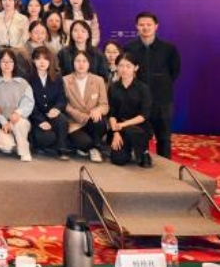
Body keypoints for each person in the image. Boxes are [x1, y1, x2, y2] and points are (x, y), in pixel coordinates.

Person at [123, 12, 181, 159]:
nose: (145, 28)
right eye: (141, 25)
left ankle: (167, 167)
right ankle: (144, 161)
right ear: (136, 27)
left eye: (149, 24)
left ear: (156, 26)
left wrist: (161, 83)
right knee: (140, 135)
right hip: (138, 100)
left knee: (164, 137)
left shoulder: (168, 48)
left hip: (162, 100)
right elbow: (126, 71)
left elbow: (174, 71)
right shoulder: (129, 48)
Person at [0, 49, 35, 162]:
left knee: (19, 123)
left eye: (10, 61)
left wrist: (18, 113)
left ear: (15, 64)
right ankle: (12, 139)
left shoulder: (23, 83)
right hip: (1, 123)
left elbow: (28, 103)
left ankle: (24, 151)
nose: (7, 64)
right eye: (3, 61)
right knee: (6, 147)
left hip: (19, 120)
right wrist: (3, 121)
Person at [107, 52, 154, 168]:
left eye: (128, 66)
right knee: (118, 160)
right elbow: (112, 113)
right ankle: (129, 148)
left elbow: (144, 115)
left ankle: (144, 151)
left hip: (139, 127)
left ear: (135, 68)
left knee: (130, 131)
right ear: (117, 67)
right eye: (121, 66)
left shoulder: (143, 88)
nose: (124, 69)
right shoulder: (113, 87)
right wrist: (115, 132)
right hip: (119, 127)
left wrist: (122, 125)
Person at [63, 50, 109, 163]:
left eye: (84, 61)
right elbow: (64, 104)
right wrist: (80, 116)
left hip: (92, 121)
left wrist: (98, 110)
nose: (81, 64)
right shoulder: (65, 80)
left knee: (100, 122)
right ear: (73, 63)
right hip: (75, 122)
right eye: (78, 61)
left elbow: (104, 105)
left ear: (89, 63)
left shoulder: (98, 80)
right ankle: (92, 146)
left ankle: (94, 148)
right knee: (84, 142)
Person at [27, 46, 69, 160]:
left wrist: (57, 109)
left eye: (45, 59)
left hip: (52, 114)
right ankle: (37, 144)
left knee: (62, 120)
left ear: (50, 61)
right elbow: (29, 103)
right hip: (36, 117)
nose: (42, 62)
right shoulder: (29, 78)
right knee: (45, 138)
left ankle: (62, 149)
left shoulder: (57, 77)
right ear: (33, 60)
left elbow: (62, 99)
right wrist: (40, 120)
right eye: (38, 58)